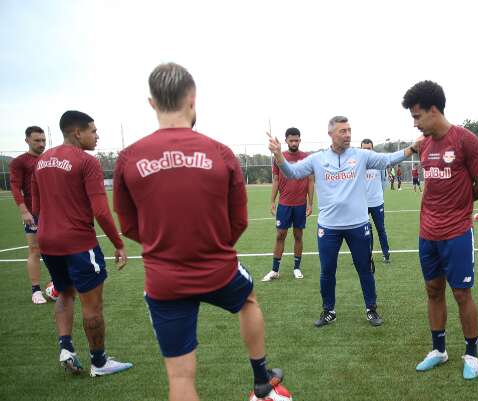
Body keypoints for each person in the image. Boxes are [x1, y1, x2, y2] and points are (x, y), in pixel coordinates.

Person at [113, 63, 283, 401]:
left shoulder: (128, 157)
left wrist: (163, 246)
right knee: (247, 298)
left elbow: (128, 223)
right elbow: (239, 220)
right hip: (217, 268)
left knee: (179, 378)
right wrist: (210, 246)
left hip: (164, 278)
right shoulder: (219, 152)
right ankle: (261, 376)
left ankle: (262, 378)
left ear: (152, 103)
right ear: (192, 99)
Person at [268, 116, 422, 328]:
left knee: (364, 269)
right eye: (343, 131)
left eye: (349, 130)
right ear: (331, 134)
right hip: (328, 228)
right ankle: (328, 310)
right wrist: (278, 155)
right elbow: (292, 173)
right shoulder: (317, 159)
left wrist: (412, 149)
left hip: (358, 226)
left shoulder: (361, 156)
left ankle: (371, 309)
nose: (348, 134)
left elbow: (387, 160)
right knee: (327, 271)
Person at [402, 80, 478, 380]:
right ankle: (439, 350)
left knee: (462, 293)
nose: (414, 123)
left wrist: (459, 205)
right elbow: (415, 146)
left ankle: (471, 353)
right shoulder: (424, 143)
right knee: (433, 290)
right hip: (427, 233)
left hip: (456, 232)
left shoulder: (466, 141)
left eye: (417, 116)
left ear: (433, 110)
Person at [32, 110, 132, 377]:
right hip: (78, 242)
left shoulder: (41, 162)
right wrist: (118, 243)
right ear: (78, 133)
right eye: (93, 131)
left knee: (65, 293)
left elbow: (36, 207)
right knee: (93, 305)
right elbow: (101, 211)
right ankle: (99, 362)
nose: (97, 136)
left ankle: (66, 347)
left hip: (47, 241)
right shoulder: (87, 162)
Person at [263, 127, 314, 281]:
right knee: (280, 235)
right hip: (284, 204)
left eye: (296, 140)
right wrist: (272, 200)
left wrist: (310, 203)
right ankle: (275, 270)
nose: (294, 142)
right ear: (286, 141)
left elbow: (311, 181)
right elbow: (276, 180)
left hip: (300, 204)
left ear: (300, 140)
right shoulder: (279, 157)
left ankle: (297, 268)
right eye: (291, 140)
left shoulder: (306, 157)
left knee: (298, 235)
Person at [9, 126, 47, 304]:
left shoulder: (50, 158)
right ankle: (36, 290)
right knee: (34, 250)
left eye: (43, 140)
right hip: (33, 213)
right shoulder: (19, 162)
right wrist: (24, 210)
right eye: (37, 140)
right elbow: (15, 187)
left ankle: (59, 285)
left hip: (54, 213)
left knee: (60, 249)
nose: (41, 144)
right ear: (27, 140)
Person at [361, 139, 390, 264]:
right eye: (364, 148)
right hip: (361, 204)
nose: (367, 151)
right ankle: (367, 255)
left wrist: (378, 195)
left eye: (369, 148)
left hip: (377, 203)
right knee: (364, 231)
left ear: (372, 149)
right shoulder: (357, 163)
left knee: (380, 229)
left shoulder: (379, 163)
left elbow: (384, 181)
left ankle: (386, 253)